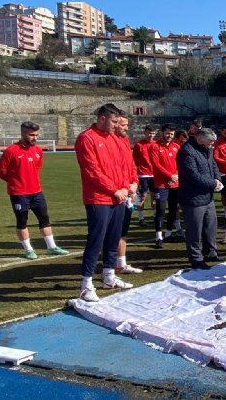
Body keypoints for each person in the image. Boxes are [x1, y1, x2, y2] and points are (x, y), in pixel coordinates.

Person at [75, 104, 135, 302]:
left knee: (113, 237)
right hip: (98, 198)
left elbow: (123, 165)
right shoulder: (87, 138)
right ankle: (86, 284)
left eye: (119, 122)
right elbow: (92, 170)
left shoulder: (114, 139)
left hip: (119, 197)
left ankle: (108, 276)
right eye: (114, 121)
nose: (116, 126)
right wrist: (114, 189)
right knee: (96, 239)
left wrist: (127, 186)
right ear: (102, 118)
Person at [0, 121, 69, 260]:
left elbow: (37, 167)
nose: (34, 138)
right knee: (22, 221)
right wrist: (15, 182)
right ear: (23, 134)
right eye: (31, 135)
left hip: (37, 192)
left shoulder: (38, 150)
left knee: (44, 219)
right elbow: (0, 171)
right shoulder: (11, 151)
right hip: (19, 194)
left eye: (36, 135)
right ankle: (28, 249)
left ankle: (51, 247)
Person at [178, 128, 225, 269]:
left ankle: (210, 251)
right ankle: (195, 258)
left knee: (210, 226)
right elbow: (192, 175)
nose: (212, 145)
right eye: (210, 142)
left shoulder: (207, 149)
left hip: (207, 197)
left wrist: (217, 179)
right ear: (200, 139)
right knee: (194, 230)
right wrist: (212, 184)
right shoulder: (187, 151)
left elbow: (213, 165)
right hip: (193, 197)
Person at [113, 115, 142, 274]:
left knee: (123, 230)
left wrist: (134, 184)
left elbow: (131, 165)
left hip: (128, 191)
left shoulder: (124, 140)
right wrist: (124, 187)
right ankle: (109, 267)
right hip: (116, 193)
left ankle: (121, 264)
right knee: (113, 232)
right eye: (124, 124)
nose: (126, 128)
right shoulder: (110, 141)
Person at [151, 124, 183, 248]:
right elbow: (156, 164)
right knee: (161, 210)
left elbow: (180, 164)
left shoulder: (176, 147)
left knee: (173, 210)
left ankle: (168, 234)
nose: (169, 136)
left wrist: (176, 176)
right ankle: (158, 237)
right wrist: (170, 176)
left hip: (175, 183)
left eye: (171, 134)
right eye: (167, 133)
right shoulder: (155, 146)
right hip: (161, 184)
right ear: (162, 132)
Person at [132, 126, 157, 227]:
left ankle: (156, 216)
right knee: (142, 196)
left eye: (153, 133)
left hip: (155, 175)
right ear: (145, 133)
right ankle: (141, 218)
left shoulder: (156, 144)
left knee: (154, 196)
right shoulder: (139, 145)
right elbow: (134, 160)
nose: (151, 135)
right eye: (149, 133)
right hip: (143, 174)